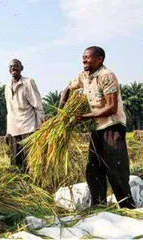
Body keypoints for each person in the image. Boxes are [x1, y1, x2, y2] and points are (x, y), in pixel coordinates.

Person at [59, 46, 135, 209]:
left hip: (112, 126)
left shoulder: (106, 76)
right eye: (83, 57)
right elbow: (67, 88)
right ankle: (99, 206)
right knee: (93, 168)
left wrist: (84, 117)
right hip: (97, 127)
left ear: (99, 59)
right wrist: (62, 110)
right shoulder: (84, 76)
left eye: (87, 57)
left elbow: (111, 107)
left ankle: (127, 207)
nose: (84, 60)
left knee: (115, 168)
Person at [4, 59, 45, 172]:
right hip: (13, 129)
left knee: (29, 160)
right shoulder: (7, 86)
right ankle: (18, 185)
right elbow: (9, 110)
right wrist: (8, 131)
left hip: (28, 127)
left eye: (16, 66)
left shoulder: (28, 82)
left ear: (21, 68)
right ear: (8, 69)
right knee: (15, 160)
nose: (13, 68)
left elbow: (38, 105)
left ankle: (32, 184)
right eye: (11, 66)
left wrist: (42, 126)